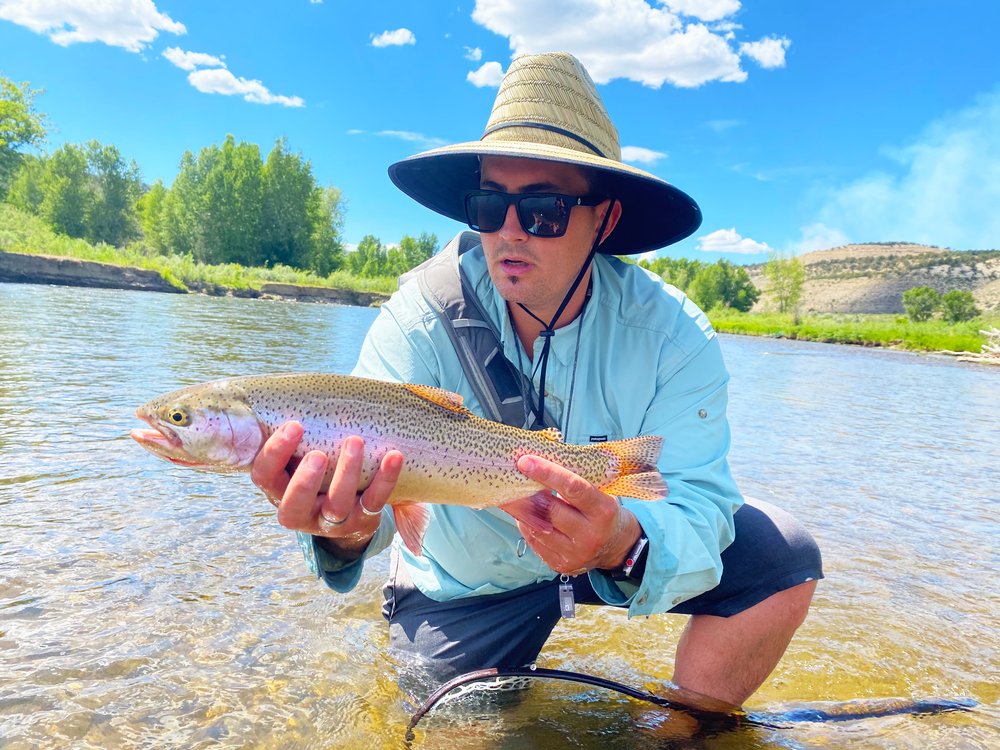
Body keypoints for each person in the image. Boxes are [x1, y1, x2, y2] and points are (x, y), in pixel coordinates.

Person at [252, 51, 821, 708]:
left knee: (782, 557)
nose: (510, 232)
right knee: (452, 730)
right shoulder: (416, 319)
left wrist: (618, 542)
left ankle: (685, 728)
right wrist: (343, 526)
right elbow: (367, 524)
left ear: (603, 220)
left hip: (611, 552)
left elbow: (698, 503)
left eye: (544, 209)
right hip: (467, 585)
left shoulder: (672, 334)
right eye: (489, 205)